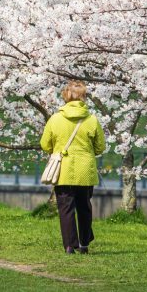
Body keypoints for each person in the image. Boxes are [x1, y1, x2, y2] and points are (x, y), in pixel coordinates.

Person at [39, 80, 107, 254]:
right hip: (85, 170)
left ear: (66, 96)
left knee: (66, 208)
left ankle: (70, 245)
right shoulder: (92, 120)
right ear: (83, 97)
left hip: (63, 170)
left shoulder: (55, 118)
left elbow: (45, 144)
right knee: (84, 206)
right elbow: (100, 147)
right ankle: (84, 243)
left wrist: (58, 149)